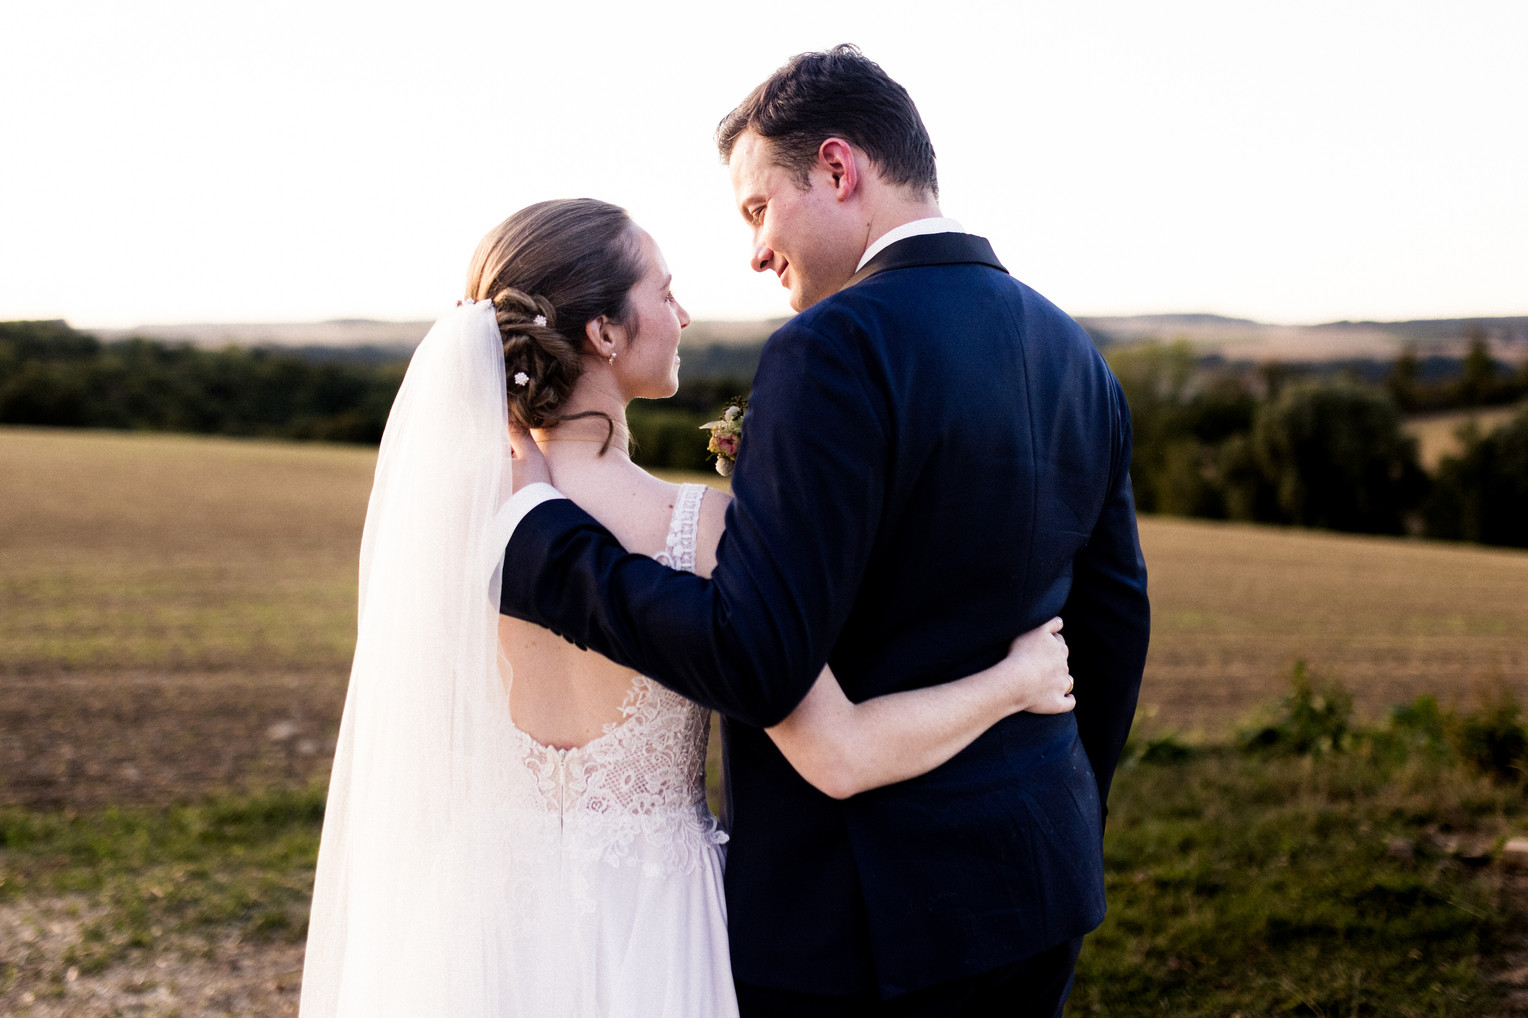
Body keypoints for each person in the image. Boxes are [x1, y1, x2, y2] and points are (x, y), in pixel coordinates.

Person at [297, 197, 1077, 1018]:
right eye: (663, 292)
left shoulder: (444, 519)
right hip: (654, 918)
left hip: (476, 918)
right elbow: (839, 752)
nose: (682, 312)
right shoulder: (700, 529)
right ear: (603, 331)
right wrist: (1015, 683)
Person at [498, 46, 1151, 1017]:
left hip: (858, 931)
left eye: (758, 209)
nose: (756, 251)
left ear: (839, 170)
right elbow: (1112, 623)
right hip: (1039, 891)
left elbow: (757, 654)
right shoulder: (1073, 353)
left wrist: (543, 552)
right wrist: (1060, 814)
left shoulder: (832, 348)